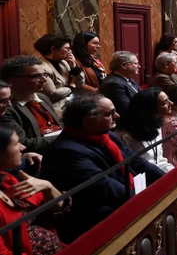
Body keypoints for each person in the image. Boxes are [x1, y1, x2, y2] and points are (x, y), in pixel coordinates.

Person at [40, 94, 164, 243]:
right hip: (92, 220)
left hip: (121, 199)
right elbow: (105, 187)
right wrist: (146, 201)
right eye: (109, 114)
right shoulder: (66, 152)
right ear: (87, 120)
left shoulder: (107, 136)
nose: (117, 116)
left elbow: (138, 162)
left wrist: (169, 181)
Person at [0, 125, 69, 255]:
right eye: (16, 144)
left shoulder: (7, 179)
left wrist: (48, 186)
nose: (23, 147)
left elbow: (60, 206)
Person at [0, 56, 64, 152]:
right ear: (12, 81)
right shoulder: (6, 108)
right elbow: (24, 143)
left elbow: (59, 125)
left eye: (44, 75)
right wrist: (67, 135)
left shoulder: (42, 97)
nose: (44, 80)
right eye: (36, 76)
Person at [114, 89, 173, 173]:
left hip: (160, 172)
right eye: (165, 103)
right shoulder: (125, 135)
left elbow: (160, 160)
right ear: (150, 109)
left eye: (169, 100)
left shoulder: (157, 123)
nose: (171, 103)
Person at [34, 33, 84, 115]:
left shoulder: (63, 63)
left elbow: (80, 84)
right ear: (53, 49)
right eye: (67, 48)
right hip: (54, 108)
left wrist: (74, 67)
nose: (70, 51)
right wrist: (71, 88)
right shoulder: (41, 67)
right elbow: (52, 93)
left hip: (71, 103)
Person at [99, 51, 142, 118]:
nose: (139, 66)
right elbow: (126, 109)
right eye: (136, 63)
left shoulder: (129, 79)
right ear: (124, 65)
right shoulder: (113, 84)